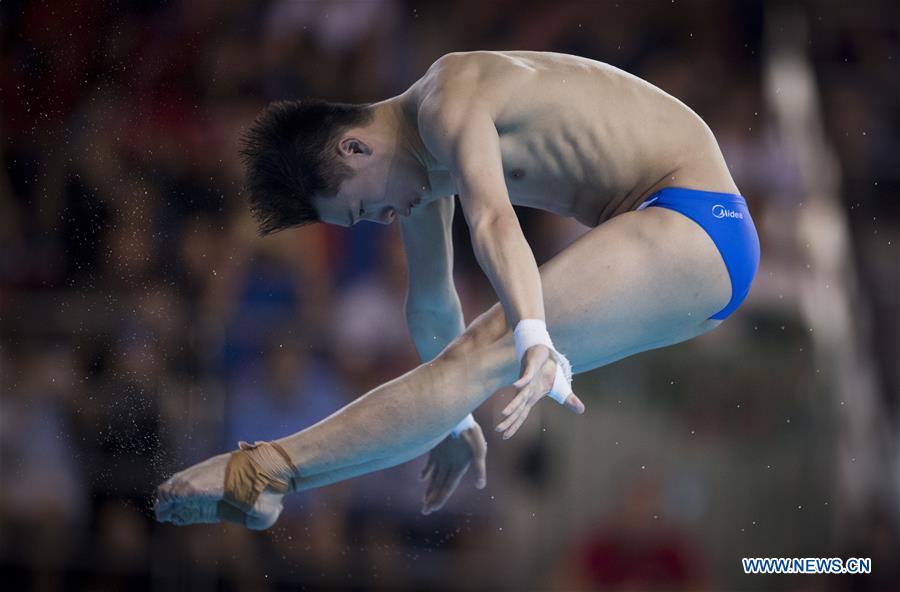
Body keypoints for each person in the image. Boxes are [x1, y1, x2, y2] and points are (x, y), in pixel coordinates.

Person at [154, 51, 759, 529]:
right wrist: (450, 420)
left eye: (364, 207)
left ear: (354, 146)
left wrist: (533, 336)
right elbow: (431, 306)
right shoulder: (420, 170)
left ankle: (261, 469)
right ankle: (270, 481)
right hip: (682, 240)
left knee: (491, 345)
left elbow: (495, 220)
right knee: (473, 357)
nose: (383, 219)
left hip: (698, 221)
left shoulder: (448, 99)